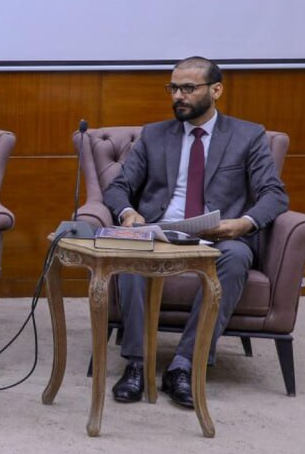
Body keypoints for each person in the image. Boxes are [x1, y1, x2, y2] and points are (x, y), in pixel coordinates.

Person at [105, 56, 287, 407]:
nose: (178, 96)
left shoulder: (248, 135)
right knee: (130, 254)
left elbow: (274, 194)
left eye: (188, 88)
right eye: (173, 88)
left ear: (216, 90)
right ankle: (137, 363)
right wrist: (129, 213)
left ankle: (184, 364)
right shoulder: (154, 135)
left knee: (236, 258)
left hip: (220, 237)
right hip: (160, 231)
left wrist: (243, 223)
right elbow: (118, 188)